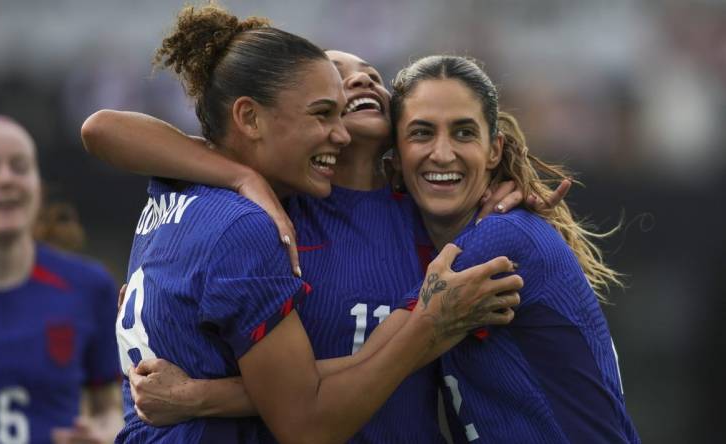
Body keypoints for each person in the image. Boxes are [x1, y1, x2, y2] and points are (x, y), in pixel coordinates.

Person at [81, 5, 523, 443]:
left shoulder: (423, 210)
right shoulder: (273, 212)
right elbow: (103, 128)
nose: (360, 79)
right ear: (258, 116)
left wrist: (500, 203)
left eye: (371, 73)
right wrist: (243, 177)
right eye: (329, 90)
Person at [387, 54, 640, 443]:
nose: (442, 152)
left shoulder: (502, 239)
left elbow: (364, 367)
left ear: (494, 149)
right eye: (421, 133)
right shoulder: (446, 238)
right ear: (395, 153)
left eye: (463, 133)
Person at [0, 114, 122, 444]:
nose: (6, 179)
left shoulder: (89, 287)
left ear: (38, 186)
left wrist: (104, 434)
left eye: (20, 167)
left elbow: (110, 408)